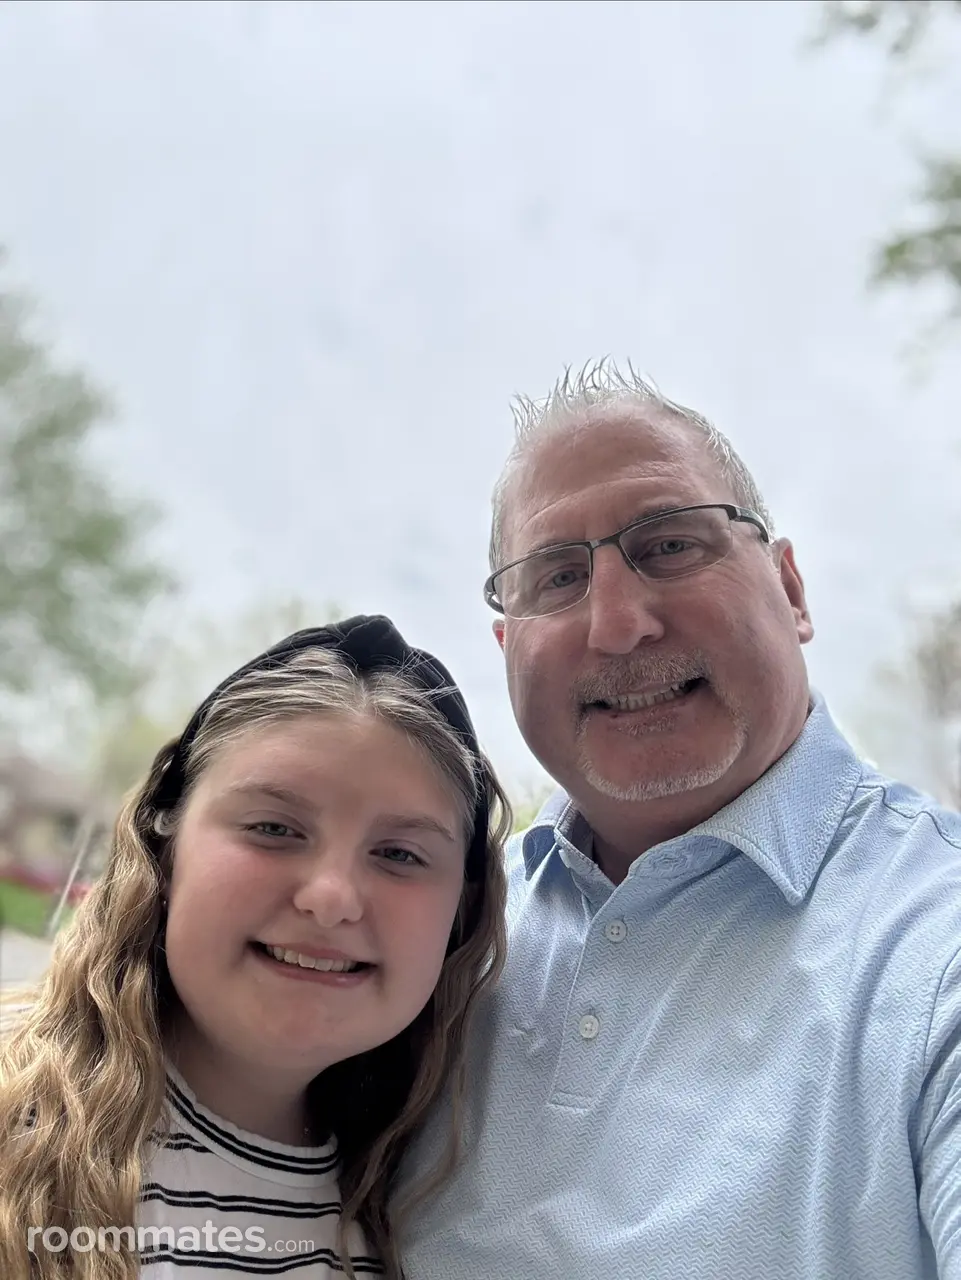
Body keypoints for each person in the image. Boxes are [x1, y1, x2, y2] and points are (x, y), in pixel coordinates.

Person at [400, 362, 961, 1280]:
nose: (617, 624)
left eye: (667, 545)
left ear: (790, 588)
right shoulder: (426, 939)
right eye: (556, 577)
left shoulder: (934, 948)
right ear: (506, 645)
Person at [0, 615, 509, 1279]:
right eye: (273, 828)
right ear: (164, 851)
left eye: (399, 854)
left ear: (460, 915)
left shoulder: (413, 1226)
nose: (331, 897)